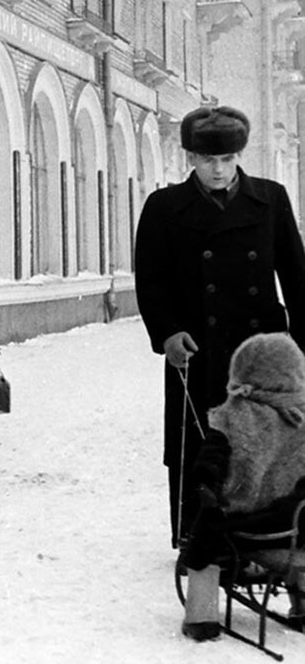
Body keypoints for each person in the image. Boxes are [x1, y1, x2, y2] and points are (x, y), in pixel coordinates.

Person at [135, 106, 305, 548]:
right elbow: (151, 281)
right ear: (190, 158)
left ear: (237, 158)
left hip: (260, 353)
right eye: (208, 160)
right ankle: (199, 536)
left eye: (227, 160)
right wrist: (168, 332)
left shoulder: (271, 199)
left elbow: (297, 276)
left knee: (268, 441)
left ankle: (267, 537)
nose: (218, 169)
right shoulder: (164, 207)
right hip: (198, 348)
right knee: (200, 441)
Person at [179, 333, 305, 641]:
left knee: (202, 544)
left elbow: (206, 468)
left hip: (239, 533)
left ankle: (202, 616)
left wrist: (206, 491)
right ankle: (301, 605)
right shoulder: (300, 417)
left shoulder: (232, 417)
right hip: (294, 535)